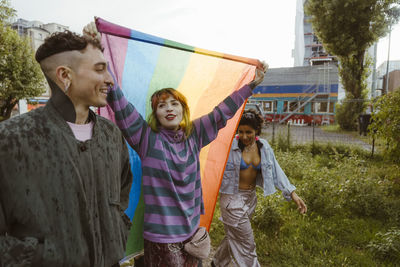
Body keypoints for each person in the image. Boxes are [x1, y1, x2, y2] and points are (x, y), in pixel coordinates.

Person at [84, 18, 268, 267]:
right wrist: (101, 53)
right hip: (161, 239)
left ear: (184, 110)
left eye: (174, 103)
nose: (168, 108)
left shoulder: (195, 135)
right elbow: (118, 101)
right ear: (155, 114)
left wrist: (251, 86)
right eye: (161, 105)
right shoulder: (147, 138)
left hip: (192, 234)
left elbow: (222, 112)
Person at [0, 31, 133, 267]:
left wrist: (117, 231)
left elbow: (121, 195)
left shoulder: (112, 136)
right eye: (100, 69)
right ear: (65, 75)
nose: (110, 80)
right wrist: (40, 256)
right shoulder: (10, 140)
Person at [212, 109, 307, 267]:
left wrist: (292, 193)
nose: (244, 136)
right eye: (240, 132)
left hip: (250, 199)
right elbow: (210, 166)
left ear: (257, 131)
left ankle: (217, 262)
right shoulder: (229, 146)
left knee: (235, 236)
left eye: (248, 132)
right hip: (231, 200)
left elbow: (276, 171)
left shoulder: (264, 147)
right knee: (246, 244)